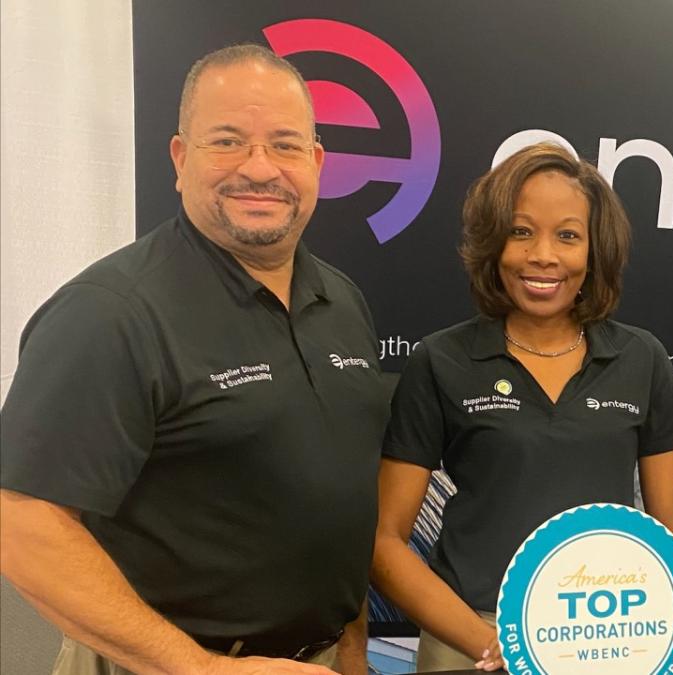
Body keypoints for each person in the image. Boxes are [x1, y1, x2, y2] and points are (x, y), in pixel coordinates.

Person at [0, 44, 390, 674]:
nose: (259, 168)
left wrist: (349, 645)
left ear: (317, 162)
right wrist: (204, 670)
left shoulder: (341, 300)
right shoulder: (110, 313)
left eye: (286, 145)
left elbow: (333, 503)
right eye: (228, 141)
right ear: (181, 158)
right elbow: (23, 526)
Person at [371, 142, 673, 672]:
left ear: (595, 252)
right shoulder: (441, 359)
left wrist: (627, 636)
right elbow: (385, 543)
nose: (543, 255)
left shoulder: (642, 359)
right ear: (493, 244)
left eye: (568, 235)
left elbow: (672, 544)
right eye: (521, 231)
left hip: (600, 643)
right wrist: (488, 641)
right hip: (468, 639)